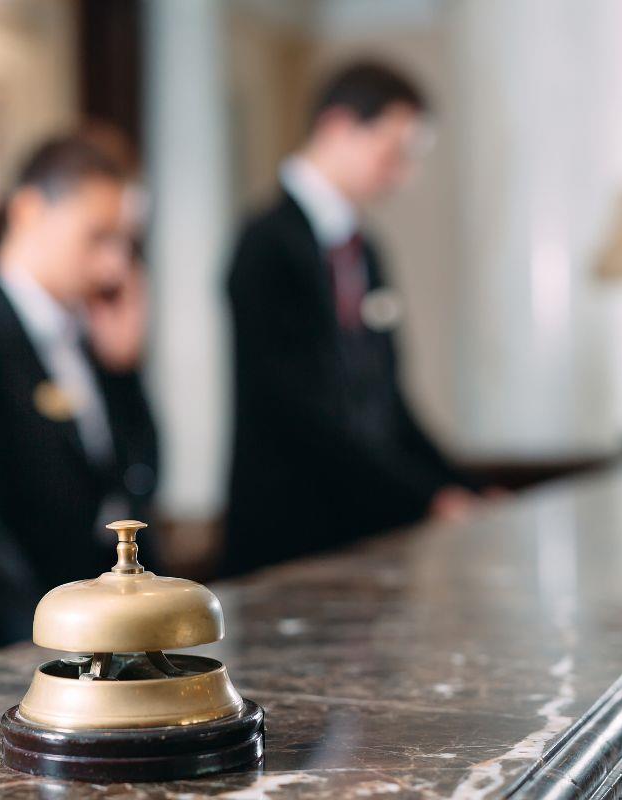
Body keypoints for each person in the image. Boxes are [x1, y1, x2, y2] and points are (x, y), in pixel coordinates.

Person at [224, 61, 482, 576]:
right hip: (291, 533)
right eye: (394, 154)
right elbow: (298, 407)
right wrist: (423, 496)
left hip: (368, 527)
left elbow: (387, 398)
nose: (402, 176)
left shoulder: (366, 251)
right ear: (339, 127)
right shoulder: (266, 244)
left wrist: (457, 486)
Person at [0, 133, 158, 647]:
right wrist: (41, 639)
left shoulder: (92, 337)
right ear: (30, 212)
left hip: (111, 633)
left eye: (124, 243)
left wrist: (125, 371)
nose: (115, 267)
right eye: (97, 237)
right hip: (30, 642)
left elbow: (136, 484)